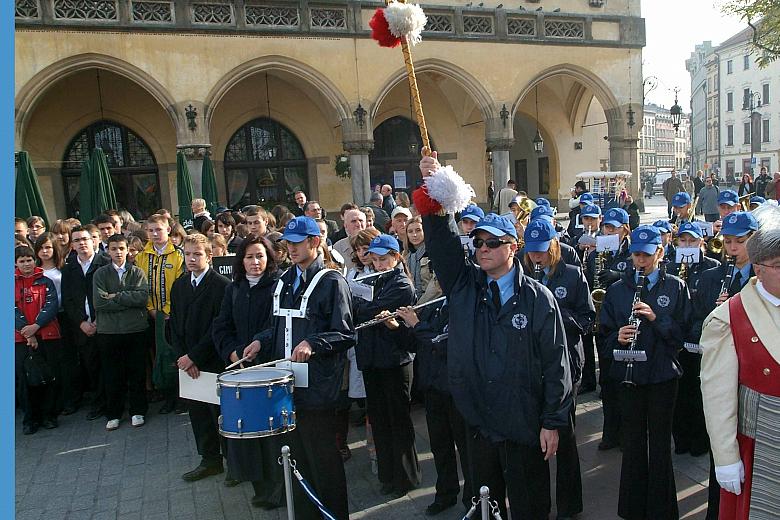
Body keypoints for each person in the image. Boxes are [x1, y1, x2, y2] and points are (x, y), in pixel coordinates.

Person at [417, 152, 572, 519]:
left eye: (492, 243)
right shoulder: (463, 285)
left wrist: (552, 422)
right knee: (484, 507)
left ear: (512, 247)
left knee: (529, 506)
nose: (482, 248)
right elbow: (442, 242)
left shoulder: (538, 299)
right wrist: (434, 188)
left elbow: (556, 364)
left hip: (523, 423)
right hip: (478, 421)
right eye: (479, 243)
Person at [242, 216, 355, 520]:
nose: (290, 248)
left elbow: (345, 333)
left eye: (296, 242)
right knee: (295, 457)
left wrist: (313, 344)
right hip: (285, 383)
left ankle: (334, 515)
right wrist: (260, 342)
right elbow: (277, 326)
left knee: (322, 458)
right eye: (287, 243)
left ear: (315, 242)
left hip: (317, 387)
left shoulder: (332, 281)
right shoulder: (283, 280)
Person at [599, 225, 692, 520]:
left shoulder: (675, 286)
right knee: (634, 443)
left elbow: (683, 336)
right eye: (636, 255)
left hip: (662, 375)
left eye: (646, 255)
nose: (640, 260)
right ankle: (633, 508)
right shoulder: (617, 290)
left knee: (661, 443)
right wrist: (618, 338)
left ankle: (663, 511)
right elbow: (602, 337)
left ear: (660, 253)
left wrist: (655, 318)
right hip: (630, 375)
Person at [700, 207, 780, 520]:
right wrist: (726, 457)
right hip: (761, 440)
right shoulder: (728, 318)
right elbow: (717, 395)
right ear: (759, 269)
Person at [523, 220, 594, 519]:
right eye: (531, 252)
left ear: (553, 245)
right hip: (530, 365)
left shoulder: (574, 276)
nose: (536, 258)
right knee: (530, 437)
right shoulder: (521, 275)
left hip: (566, 364)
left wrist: (555, 311)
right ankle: (536, 503)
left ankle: (569, 504)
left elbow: (588, 322)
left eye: (541, 251)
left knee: (564, 435)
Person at [212, 234, 285, 507]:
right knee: (249, 431)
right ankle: (259, 485)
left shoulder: (279, 285)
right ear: (240, 261)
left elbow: (277, 326)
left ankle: (277, 488)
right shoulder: (234, 289)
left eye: (260, 256)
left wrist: (259, 344)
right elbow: (221, 325)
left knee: (271, 433)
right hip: (240, 368)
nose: (255, 262)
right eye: (250, 257)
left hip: (269, 368)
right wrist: (231, 351)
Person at [390, 279, 473, 515]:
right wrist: (397, 327)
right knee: (440, 446)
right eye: (435, 279)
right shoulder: (433, 305)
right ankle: (446, 493)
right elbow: (415, 344)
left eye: (440, 278)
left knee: (466, 449)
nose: (436, 283)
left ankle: (473, 500)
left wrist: (416, 324)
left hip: (456, 390)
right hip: (433, 388)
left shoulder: (463, 306)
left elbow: (443, 344)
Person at [353, 235, 421, 497]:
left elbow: (371, 310)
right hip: (371, 359)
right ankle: (387, 475)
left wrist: (360, 304)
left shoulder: (401, 283)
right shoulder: (373, 278)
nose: (379, 264)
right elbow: (357, 305)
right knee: (379, 420)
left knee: (398, 420)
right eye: (376, 259)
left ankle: (405, 477)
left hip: (394, 361)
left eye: (384, 259)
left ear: (396, 257)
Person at [168, 234, 230, 482]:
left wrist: (195, 356)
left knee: (220, 414)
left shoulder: (221, 285)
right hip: (188, 363)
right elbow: (174, 325)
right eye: (188, 254)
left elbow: (218, 327)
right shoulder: (180, 285)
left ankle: (233, 462)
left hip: (212, 360)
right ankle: (209, 460)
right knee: (198, 414)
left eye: (197, 254)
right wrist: (183, 357)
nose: (191, 259)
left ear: (209, 256)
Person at [585, 207, 632, 450]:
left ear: (625, 228)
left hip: (625, 321)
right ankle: (610, 432)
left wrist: (618, 275)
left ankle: (625, 433)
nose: (609, 231)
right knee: (608, 379)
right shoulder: (596, 254)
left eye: (614, 227)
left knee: (624, 382)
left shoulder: (631, 254)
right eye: (607, 227)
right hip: (604, 323)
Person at [92, 233, 149, 431]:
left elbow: (141, 298)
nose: (118, 253)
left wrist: (115, 296)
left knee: (136, 372)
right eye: (114, 248)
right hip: (109, 332)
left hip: (135, 329)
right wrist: (126, 299)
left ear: (128, 250)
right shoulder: (100, 274)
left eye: (122, 248)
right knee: (112, 374)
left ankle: (138, 410)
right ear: (108, 250)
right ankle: (114, 413)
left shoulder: (137, 272)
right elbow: (99, 302)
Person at [135, 213, 185, 414]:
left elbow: (181, 286)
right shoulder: (141, 257)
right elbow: (139, 285)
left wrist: (168, 311)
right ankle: (167, 397)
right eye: (151, 230)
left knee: (175, 355)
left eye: (158, 230)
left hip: (173, 316)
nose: (155, 234)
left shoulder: (179, 255)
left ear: (168, 230)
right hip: (151, 316)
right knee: (158, 357)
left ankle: (182, 398)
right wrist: (150, 309)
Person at [61, 225, 110, 421]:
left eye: (85, 239)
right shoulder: (69, 269)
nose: (81, 243)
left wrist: (99, 320)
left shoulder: (105, 263)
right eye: (77, 240)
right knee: (92, 366)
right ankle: (99, 404)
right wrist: (82, 323)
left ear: (93, 241)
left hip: (105, 324)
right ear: (72, 245)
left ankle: (114, 402)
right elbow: (68, 300)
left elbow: (111, 293)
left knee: (110, 364)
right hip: (82, 327)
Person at [15, 245, 62, 434]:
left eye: (29, 260)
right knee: (25, 380)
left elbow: (52, 305)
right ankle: (30, 419)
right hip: (20, 339)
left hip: (47, 335)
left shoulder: (46, 280)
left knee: (48, 376)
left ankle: (49, 416)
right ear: (16, 263)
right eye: (22, 261)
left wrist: (36, 326)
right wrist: (29, 333)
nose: (26, 264)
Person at [333, 207, 367, 272]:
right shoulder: (338, 247)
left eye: (361, 220)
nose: (358, 224)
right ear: (345, 225)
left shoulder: (374, 242)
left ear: (365, 224)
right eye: (353, 221)